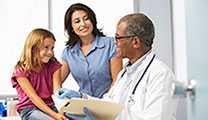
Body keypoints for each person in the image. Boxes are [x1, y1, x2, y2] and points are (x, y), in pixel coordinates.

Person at [58, 13, 176, 120]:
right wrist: (82, 98)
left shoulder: (160, 74)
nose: (114, 42)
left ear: (135, 42)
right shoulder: (125, 73)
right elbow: (109, 104)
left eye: (118, 38)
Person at [60, 3, 122, 98]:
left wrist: (103, 103)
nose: (83, 24)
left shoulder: (111, 44)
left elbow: (117, 82)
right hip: (82, 104)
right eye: (77, 21)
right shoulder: (68, 52)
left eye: (86, 19)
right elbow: (57, 81)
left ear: (92, 21)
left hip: (108, 103)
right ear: (71, 28)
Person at [11, 28, 67, 120]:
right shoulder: (21, 70)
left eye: (52, 48)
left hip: (50, 107)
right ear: (33, 48)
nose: (50, 52)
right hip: (29, 109)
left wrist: (61, 111)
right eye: (46, 47)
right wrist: (55, 115)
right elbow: (33, 97)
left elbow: (58, 92)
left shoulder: (55, 66)